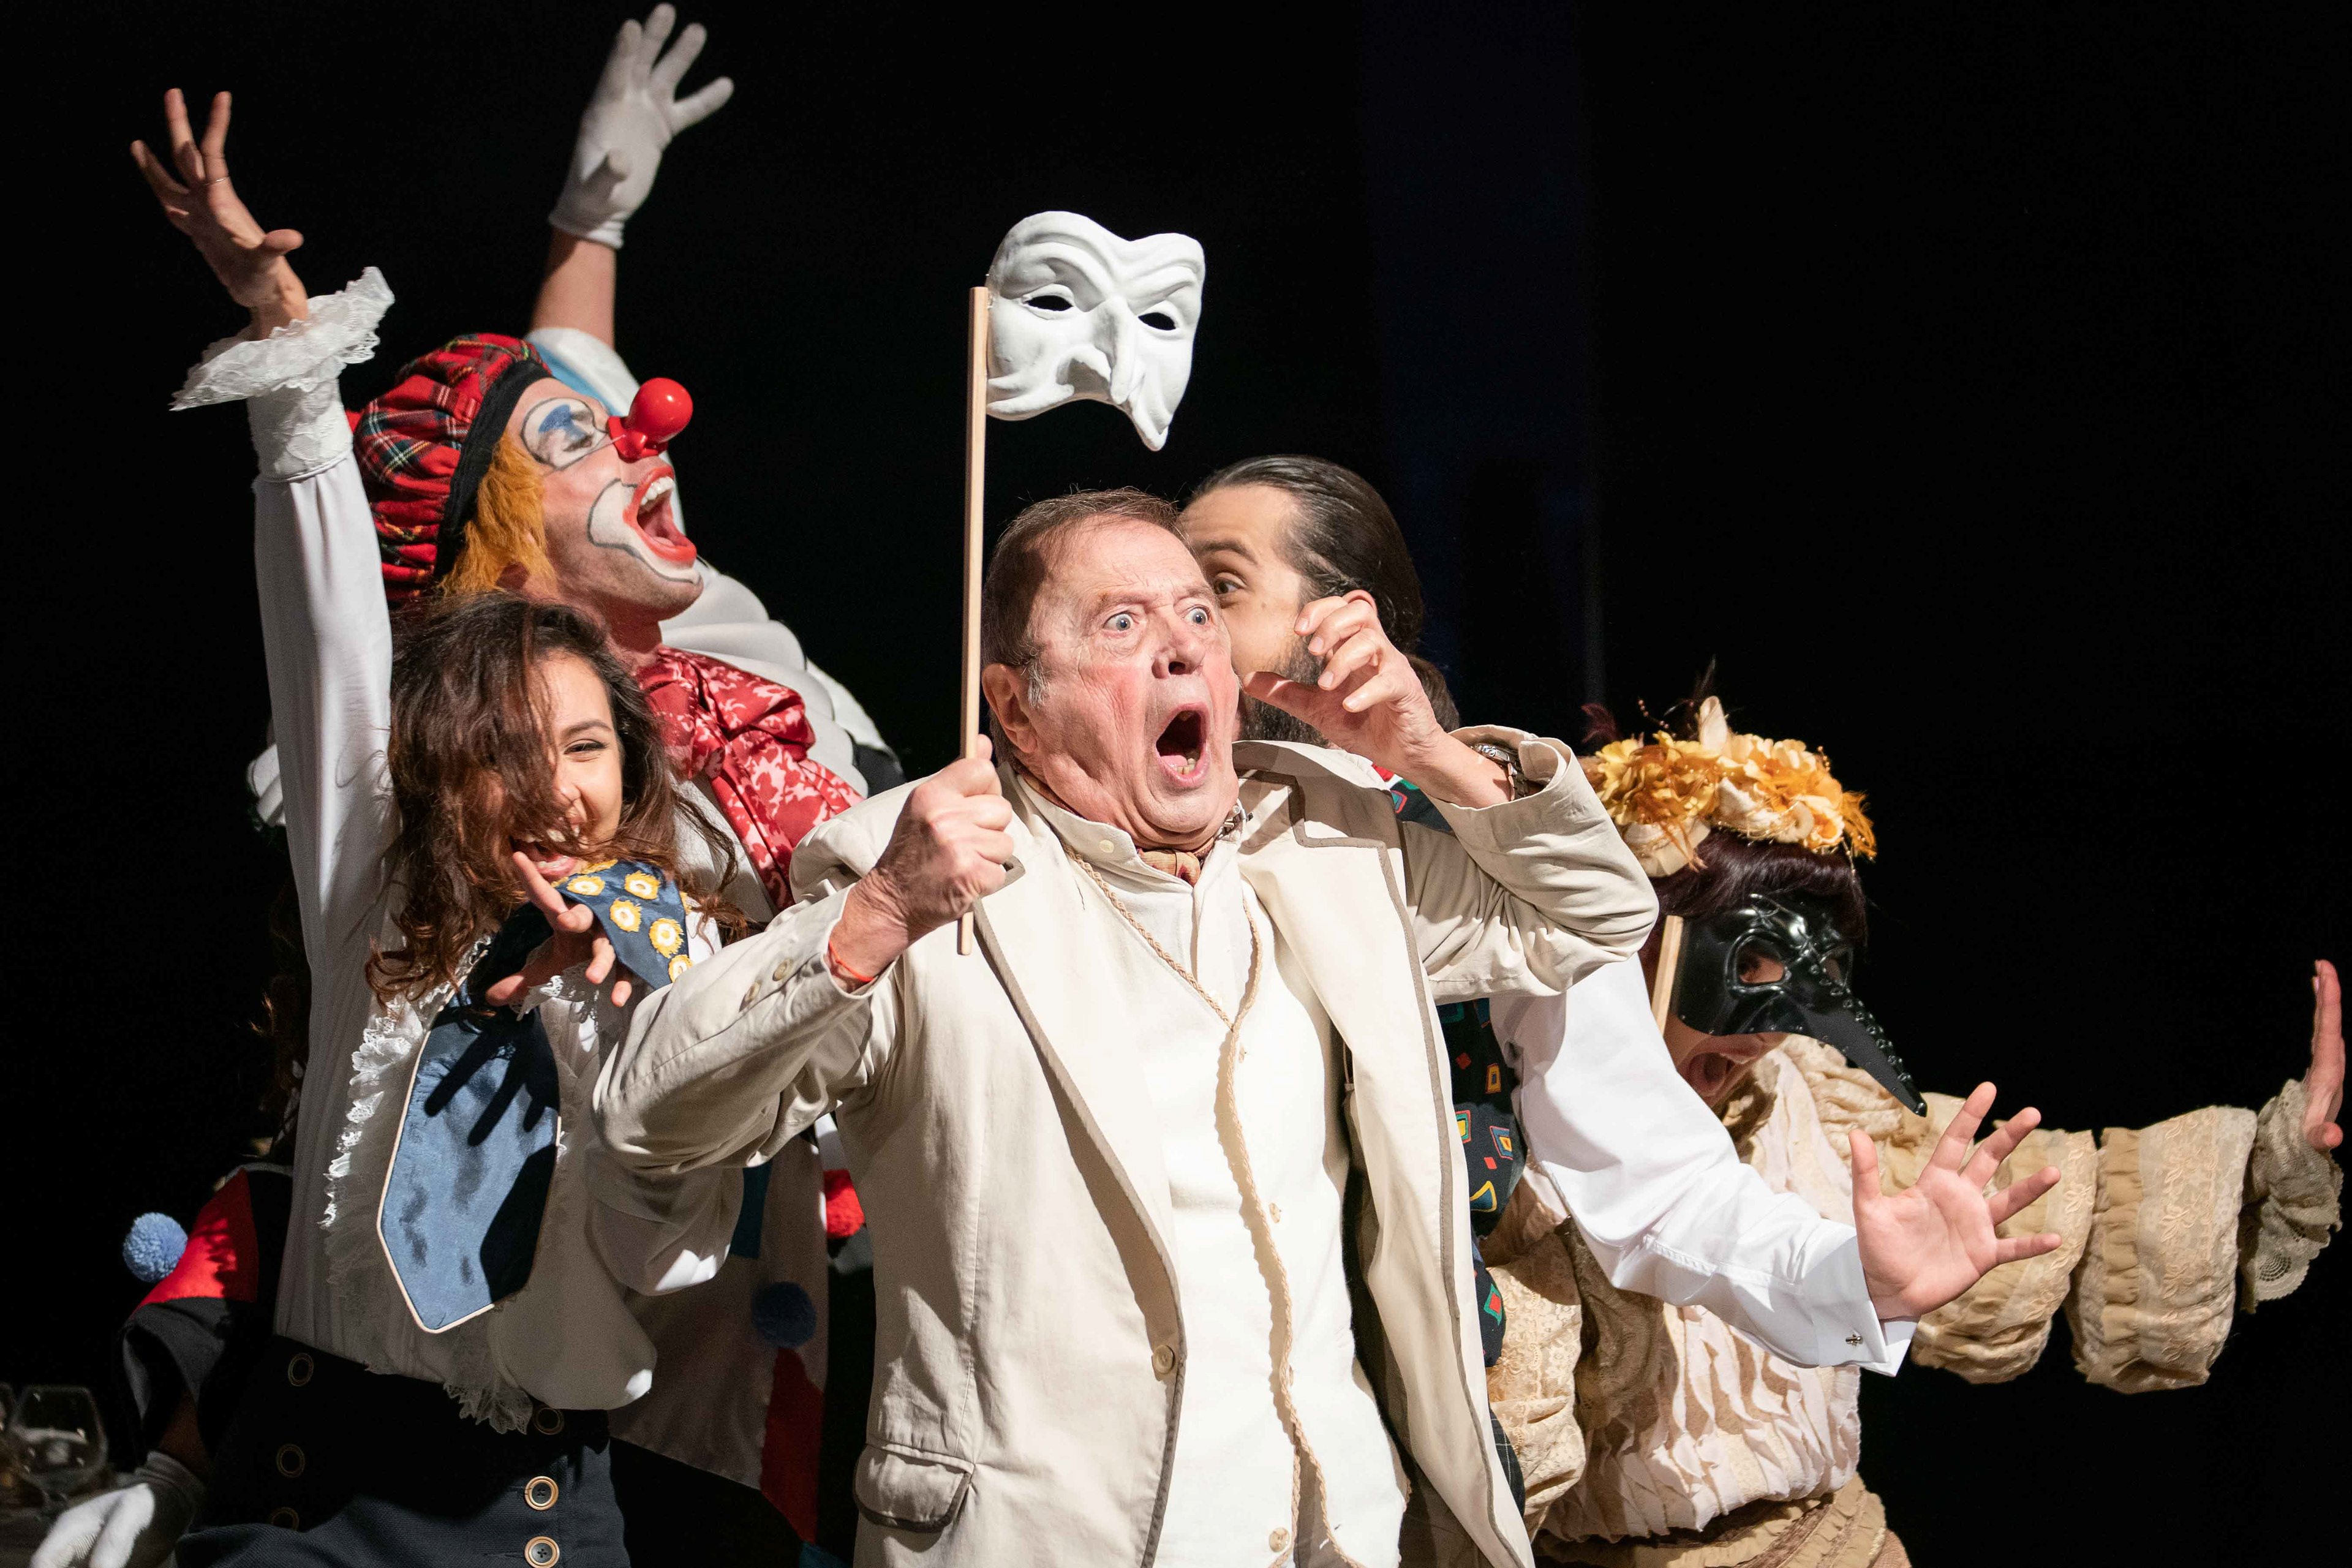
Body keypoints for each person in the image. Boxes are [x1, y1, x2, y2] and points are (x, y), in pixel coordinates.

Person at [596, 488, 2062, 1567]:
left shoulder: (1333, 846)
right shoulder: (920, 868)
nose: (1187, 647)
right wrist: (870, 924)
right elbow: (653, 1114)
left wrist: (1424, 750)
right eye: (1125, 623)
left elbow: (1596, 931)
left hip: (1352, 1526)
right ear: (1016, 708)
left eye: (1203, 608)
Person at [47, 89, 752, 1568]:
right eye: (507, 751)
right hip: (307, 1490)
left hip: (541, 1513)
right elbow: (324, 619)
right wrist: (282, 333)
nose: (554, 786)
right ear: (437, 772)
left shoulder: (672, 966)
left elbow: (671, 1247)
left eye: (585, 749)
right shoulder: (371, 892)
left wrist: (634, 1035)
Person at [1479, 695, 2344, 1567]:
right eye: (1748, 967)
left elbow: (2059, 1215)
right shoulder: (1517, 1158)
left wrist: (2271, 1164)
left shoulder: (1809, 1101)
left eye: (1809, 982)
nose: (1771, 1029)